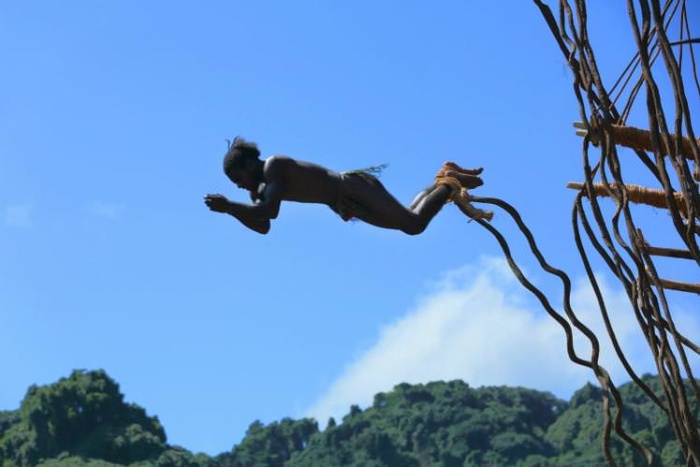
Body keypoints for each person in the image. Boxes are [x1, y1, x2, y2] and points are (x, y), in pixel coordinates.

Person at [204, 137, 484, 235]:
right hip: (345, 202)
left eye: (237, 180)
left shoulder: (273, 166)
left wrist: (229, 205)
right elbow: (263, 225)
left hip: (352, 187)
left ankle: (448, 185)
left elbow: (270, 212)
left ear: (248, 166)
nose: (239, 187)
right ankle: (444, 177)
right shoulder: (261, 190)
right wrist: (230, 211)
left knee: (412, 224)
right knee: (410, 219)